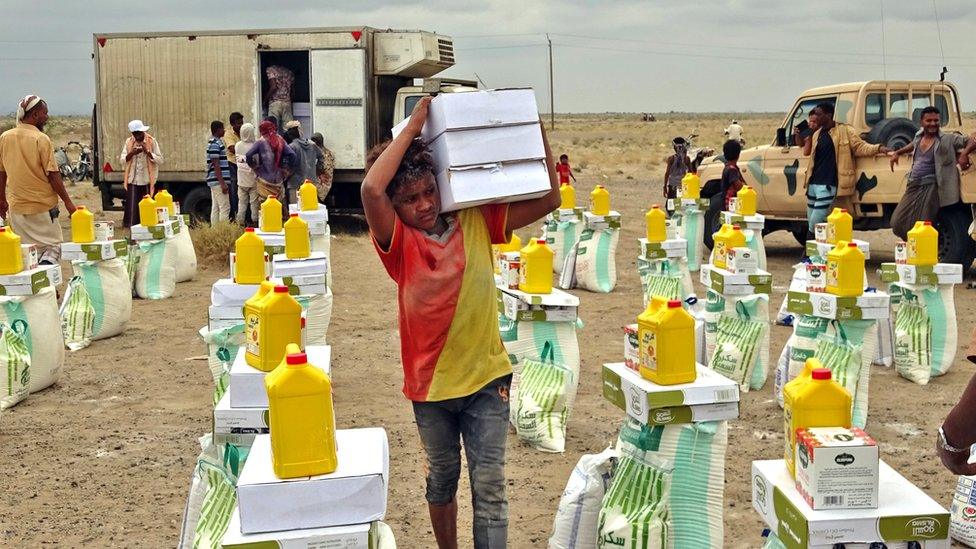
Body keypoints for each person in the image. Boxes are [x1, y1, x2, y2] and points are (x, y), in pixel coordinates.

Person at [361, 96, 560, 549]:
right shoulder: (399, 243)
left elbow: (549, 196)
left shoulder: (476, 217)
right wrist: (412, 127)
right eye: (410, 199)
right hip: (430, 389)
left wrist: (533, 132)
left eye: (430, 191)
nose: (425, 204)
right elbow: (371, 191)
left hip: (487, 380)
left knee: (490, 489)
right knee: (442, 482)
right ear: (396, 207)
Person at [0, 95, 76, 264]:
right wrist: (68, 202)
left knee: (26, 253)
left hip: (17, 209)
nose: (47, 117)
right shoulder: (41, 139)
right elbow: (53, 175)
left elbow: (1, 172)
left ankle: (37, 287)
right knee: (54, 247)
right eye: (44, 113)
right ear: (35, 115)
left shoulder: (5, 137)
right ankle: (48, 285)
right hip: (43, 208)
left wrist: (2, 199)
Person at [888, 106, 976, 240]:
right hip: (913, 185)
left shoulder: (948, 138)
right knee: (897, 222)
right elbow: (913, 145)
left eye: (936, 120)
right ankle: (915, 244)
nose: (933, 123)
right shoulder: (918, 136)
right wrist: (898, 152)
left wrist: (964, 153)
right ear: (921, 122)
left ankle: (922, 251)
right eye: (929, 120)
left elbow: (972, 140)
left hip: (931, 186)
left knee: (924, 225)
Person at [803, 103, 890, 233]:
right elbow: (807, 151)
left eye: (819, 114)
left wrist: (879, 148)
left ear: (828, 115)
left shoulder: (845, 131)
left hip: (827, 185)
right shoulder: (817, 134)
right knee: (813, 222)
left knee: (815, 224)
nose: (815, 117)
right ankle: (816, 251)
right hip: (813, 184)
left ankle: (808, 252)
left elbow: (860, 147)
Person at [119, 120, 163, 228]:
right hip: (133, 180)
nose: (138, 136)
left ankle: (147, 226)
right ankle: (132, 227)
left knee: (147, 205)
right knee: (133, 207)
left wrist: (147, 152)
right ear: (133, 133)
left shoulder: (151, 141)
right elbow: (122, 159)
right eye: (136, 134)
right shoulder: (129, 142)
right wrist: (133, 153)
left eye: (140, 133)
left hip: (146, 180)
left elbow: (160, 160)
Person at [246, 120, 296, 201]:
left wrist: (253, 166)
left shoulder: (260, 142)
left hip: (264, 180)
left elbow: (248, 155)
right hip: (278, 180)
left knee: (266, 206)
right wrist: (288, 170)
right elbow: (292, 155)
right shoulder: (280, 139)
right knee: (279, 205)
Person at [284, 121, 326, 204]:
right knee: (309, 208)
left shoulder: (291, 147)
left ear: (289, 134)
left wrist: (287, 175)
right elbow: (321, 157)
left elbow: (287, 165)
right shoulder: (312, 144)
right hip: (311, 183)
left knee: (296, 209)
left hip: (295, 184)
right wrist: (317, 170)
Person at [234, 123, 259, 227]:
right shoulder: (255, 145)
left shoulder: (237, 145)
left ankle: (240, 224)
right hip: (252, 180)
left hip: (241, 180)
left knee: (242, 204)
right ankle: (255, 223)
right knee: (254, 204)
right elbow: (257, 161)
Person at [206, 120, 231, 224]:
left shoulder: (214, 142)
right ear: (218, 130)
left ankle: (215, 231)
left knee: (216, 207)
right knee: (225, 207)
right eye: (222, 128)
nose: (224, 130)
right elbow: (216, 165)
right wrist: (222, 183)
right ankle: (223, 231)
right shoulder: (215, 144)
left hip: (214, 181)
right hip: (217, 181)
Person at [225, 112, 244, 221]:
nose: (241, 125)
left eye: (242, 123)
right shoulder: (228, 134)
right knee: (234, 190)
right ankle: (235, 215)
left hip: (242, 164)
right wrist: (246, 149)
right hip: (233, 164)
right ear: (232, 124)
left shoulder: (243, 132)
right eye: (238, 123)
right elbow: (232, 148)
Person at [265, 65, 294, 129]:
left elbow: (273, 86)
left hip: (275, 102)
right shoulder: (289, 72)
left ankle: (275, 139)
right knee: (288, 128)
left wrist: (265, 100)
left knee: (273, 127)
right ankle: (288, 139)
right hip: (287, 102)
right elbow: (292, 90)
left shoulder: (271, 69)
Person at [663, 137, 692, 202]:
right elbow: (691, 173)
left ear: (674, 147)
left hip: (673, 185)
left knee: (671, 204)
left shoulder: (671, 158)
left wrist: (664, 186)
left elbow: (667, 173)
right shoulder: (687, 159)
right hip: (684, 185)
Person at [720, 140, 745, 210]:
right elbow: (739, 187)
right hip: (730, 206)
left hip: (727, 205)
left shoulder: (728, 167)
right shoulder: (732, 170)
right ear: (738, 154)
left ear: (724, 154)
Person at [310, 132, 336, 200]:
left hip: (320, 183)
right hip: (326, 183)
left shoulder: (317, 153)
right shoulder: (330, 153)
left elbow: (319, 169)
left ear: (315, 142)